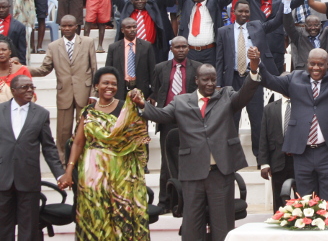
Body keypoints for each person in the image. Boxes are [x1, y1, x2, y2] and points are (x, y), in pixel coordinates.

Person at [133, 55, 261, 241]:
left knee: (222, 225)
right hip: (192, 173)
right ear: (196, 80)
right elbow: (161, 115)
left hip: (220, 173)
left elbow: (246, 93)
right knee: (192, 226)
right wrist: (142, 105)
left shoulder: (226, 95)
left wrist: (254, 69)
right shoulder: (181, 101)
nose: (210, 83)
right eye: (205, 79)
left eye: (213, 79)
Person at [259, 41, 328, 206]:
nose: (316, 68)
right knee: (306, 204)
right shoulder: (294, 79)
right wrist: (256, 64)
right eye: (312, 64)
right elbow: (269, 80)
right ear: (306, 64)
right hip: (303, 153)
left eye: (320, 64)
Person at [61, 67, 151, 240]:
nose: (110, 87)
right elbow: (79, 142)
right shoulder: (88, 111)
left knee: (120, 214)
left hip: (121, 171)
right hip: (93, 172)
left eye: (114, 84)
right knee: (94, 213)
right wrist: (69, 170)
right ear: (96, 85)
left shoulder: (126, 109)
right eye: (105, 83)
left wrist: (139, 103)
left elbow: (138, 137)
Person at [0, 75, 65, 241]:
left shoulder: (41, 114)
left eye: (31, 87)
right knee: (3, 225)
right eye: (24, 87)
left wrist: (59, 174)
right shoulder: (0, 110)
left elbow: (49, 147)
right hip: (3, 176)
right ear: (13, 91)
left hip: (28, 178)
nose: (29, 90)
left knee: (28, 226)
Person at [216, 0, 282, 158]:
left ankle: (260, 157)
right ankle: (230, 156)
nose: (244, 14)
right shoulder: (223, 31)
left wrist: (286, 2)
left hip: (253, 78)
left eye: (247, 12)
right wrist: (218, 84)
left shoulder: (257, 26)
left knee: (257, 117)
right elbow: (219, 59)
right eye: (241, 11)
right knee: (232, 119)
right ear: (234, 12)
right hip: (232, 80)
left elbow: (278, 20)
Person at [29, 15, 97, 164]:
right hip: (64, 92)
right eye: (63, 26)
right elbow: (44, 69)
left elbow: (94, 69)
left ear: (77, 26)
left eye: (70, 26)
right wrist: (23, 69)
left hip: (84, 92)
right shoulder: (54, 46)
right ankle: (63, 160)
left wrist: (93, 93)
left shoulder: (87, 42)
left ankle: (83, 159)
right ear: (60, 26)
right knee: (63, 131)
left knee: (83, 128)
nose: (66, 29)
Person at [150, 37, 202, 213]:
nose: (181, 50)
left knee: (191, 161)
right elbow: (158, 92)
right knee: (166, 163)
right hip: (167, 120)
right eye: (177, 47)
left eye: (184, 47)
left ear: (188, 48)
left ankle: (189, 202)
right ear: (171, 48)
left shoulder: (197, 68)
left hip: (190, 120)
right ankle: (165, 202)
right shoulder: (160, 68)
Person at [259, 94, 296, 213]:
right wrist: (264, 163)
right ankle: (281, 224)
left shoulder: (303, 105)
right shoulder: (269, 108)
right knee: (279, 199)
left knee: (302, 198)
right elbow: (263, 137)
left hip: (300, 160)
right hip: (277, 160)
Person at [105, 17, 155, 100]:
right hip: (120, 90)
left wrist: (153, 93)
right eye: (128, 27)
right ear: (122, 30)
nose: (132, 30)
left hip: (141, 89)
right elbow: (108, 70)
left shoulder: (146, 46)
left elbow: (152, 70)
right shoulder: (114, 48)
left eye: (134, 27)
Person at [0, 38, 32, 103]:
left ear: (10, 52)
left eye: (4, 50)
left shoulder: (22, 70)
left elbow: (30, 94)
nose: (1, 53)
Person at [0, 0, 27, 65]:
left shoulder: (19, 27)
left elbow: (21, 50)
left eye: (4, 7)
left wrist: (22, 65)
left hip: (11, 63)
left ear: (9, 7)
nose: (1, 10)